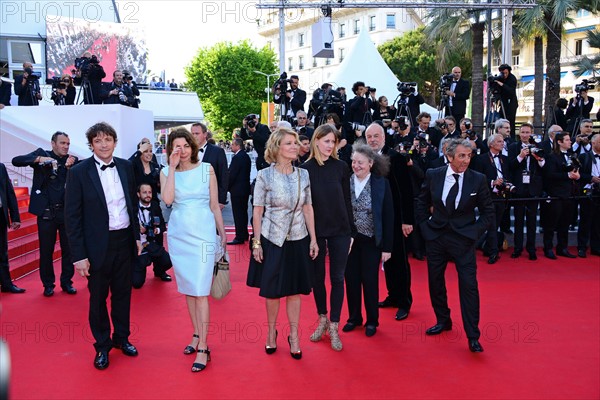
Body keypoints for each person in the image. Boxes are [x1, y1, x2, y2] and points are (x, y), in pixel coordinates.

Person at [65, 122, 142, 370]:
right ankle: (102, 346)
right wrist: (79, 256)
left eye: (108, 139)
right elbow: (72, 217)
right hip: (97, 245)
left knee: (123, 294)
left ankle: (122, 338)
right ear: (91, 145)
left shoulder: (127, 167)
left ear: (115, 142)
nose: (104, 144)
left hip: (124, 241)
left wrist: (137, 238)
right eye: (98, 141)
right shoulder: (78, 172)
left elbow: (131, 203)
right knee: (98, 299)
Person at [415, 138, 494, 353]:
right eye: (462, 156)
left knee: (469, 286)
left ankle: (472, 335)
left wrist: (473, 234)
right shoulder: (434, 174)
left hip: (463, 240)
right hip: (436, 237)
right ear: (450, 157)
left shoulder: (478, 179)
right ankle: (443, 320)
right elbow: (421, 202)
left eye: (469, 156)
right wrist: (425, 227)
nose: (466, 160)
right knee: (435, 282)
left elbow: (488, 213)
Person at [246, 128, 318, 360]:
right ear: (277, 148)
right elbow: (257, 211)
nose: (296, 146)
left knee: (295, 290)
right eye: (290, 143)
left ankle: (294, 336)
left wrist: (313, 238)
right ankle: (270, 332)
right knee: (273, 291)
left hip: (298, 237)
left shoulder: (303, 175)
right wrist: (256, 243)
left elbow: (308, 207)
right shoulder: (264, 176)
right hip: (271, 238)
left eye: (296, 143)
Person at [160, 128, 226, 372]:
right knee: (189, 289)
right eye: (176, 147)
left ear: (193, 146)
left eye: (185, 145)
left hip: (204, 233)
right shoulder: (166, 172)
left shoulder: (206, 169)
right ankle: (196, 334)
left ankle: (204, 347)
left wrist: (222, 237)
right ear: (170, 150)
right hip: (179, 235)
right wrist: (173, 168)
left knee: (201, 291)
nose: (182, 150)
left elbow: (215, 205)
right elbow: (167, 200)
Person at [300, 124, 355, 351]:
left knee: (338, 278)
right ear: (316, 141)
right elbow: (304, 204)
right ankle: (322, 318)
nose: (330, 145)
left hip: (341, 229)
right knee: (317, 278)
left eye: (333, 142)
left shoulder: (342, 167)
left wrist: (352, 232)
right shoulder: (305, 169)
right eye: (326, 141)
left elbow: (347, 200)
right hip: (316, 231)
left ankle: (334, 325)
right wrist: (309, 235)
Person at [12, 132, 78, 296]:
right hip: (46, 213)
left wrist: (72, 167)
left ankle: (67, 282)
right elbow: (16, 160)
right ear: (53, 143)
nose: (65, 146)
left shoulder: (71, 160)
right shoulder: (42, 154)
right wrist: (39, 159)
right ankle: (48, 284)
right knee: (46, 250)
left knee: (68, 250)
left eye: (68, 143)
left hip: (65, 212)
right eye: (62, 143)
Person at [343, 143, 394, 337]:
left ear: (371, 163)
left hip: (372, 241)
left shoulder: (381, 183)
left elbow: (389, 216)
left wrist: (387, 247)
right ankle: (354, 317)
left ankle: (372, 320)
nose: (356, 166)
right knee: (351, 280)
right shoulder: (345, 181)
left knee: (370, 281)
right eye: (354, 162)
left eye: (360, 162)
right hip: (349, 242)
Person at [507, 123, 545, 260]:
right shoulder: (513, 147)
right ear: (519, 133)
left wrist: (538, 158)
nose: (524, 135)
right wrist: (521, 156)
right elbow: (510, 166)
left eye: (527, 132)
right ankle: (517, 248)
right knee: (518, 221)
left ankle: (531, 248)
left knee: (532, 221)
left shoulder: (538, 147)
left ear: (531, 133)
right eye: (522, 132)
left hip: (533, 188)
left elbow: (543, 166)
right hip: (519, 188)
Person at [541, 132, 580, 259]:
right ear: (559, 142)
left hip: (569, 194)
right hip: (555, 194)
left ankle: (562, 247)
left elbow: (574, 171)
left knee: (565, 223)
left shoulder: (571, 155)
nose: (570, 142)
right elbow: (549, 175)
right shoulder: (552, 157)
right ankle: (548, 248)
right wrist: (567, 176)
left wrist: (576, 175)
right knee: (551, 224)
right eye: (567, 140)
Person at [472, 133, 508, 264]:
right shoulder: (481, 159)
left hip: (502, 196)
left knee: (495, 224)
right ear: (491, 144)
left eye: (502, 141)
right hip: (488, 197)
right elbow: (477, 177)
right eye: (499, 141)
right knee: (492, 226)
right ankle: (493, 252)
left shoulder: (505, 158)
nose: (502, 143)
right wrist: (492, 182)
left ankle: (485, 245)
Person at [132, 184, 172, 288]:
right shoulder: (133, 207)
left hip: (153, 244)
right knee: (137, 283)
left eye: (149, 192)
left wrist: (156, 230)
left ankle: (159, 271)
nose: (147, 195)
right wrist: (137, 229)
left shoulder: (155, 206)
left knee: (168, 261)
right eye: (144, 192)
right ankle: (136, 268)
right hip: (139, 246)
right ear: (138, 194)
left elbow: (163, 225)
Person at [190, 123, 229, 209]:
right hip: (191, 199)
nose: (194, 136)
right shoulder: (187, 151)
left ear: (205, 134)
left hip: (211, 198)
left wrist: (221, 200)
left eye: (197, 133)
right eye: (192, 134)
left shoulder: (218, 151)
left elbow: (223, 176)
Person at [0, 163, 24, 293]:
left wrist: (15, 217)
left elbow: (9, 191)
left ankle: (6, 284)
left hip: (0, 215)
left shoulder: (1, 167)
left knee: (2, 252)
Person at [577, 133, 600, 257]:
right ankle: (582, 247)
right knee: (585, 221)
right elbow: (578, 175)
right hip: (588, 193)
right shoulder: (584, 157)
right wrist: (591, 178)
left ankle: (596, 247)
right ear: (593, 143)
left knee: (598, 222)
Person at [227, 138, 251, 245]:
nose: (231, 147)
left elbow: (232, 175)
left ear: (238, 145)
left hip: (237, 190)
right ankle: (244, 234)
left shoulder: (237, 158)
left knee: (238, 214)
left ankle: (240, 236)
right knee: (243, 213)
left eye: (232, 145)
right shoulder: (245, 156)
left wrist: (226, 188)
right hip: (244, 189)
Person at [495, 64, 518, 139]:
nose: (504, 75)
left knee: (510, 122)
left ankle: (511, 138)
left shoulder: (512, 78)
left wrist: (502, 84)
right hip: (503, 102)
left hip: (511, 103)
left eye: (506, 73)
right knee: (501, 121)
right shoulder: (500, 78)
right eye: (503, 73)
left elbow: (511, 91)